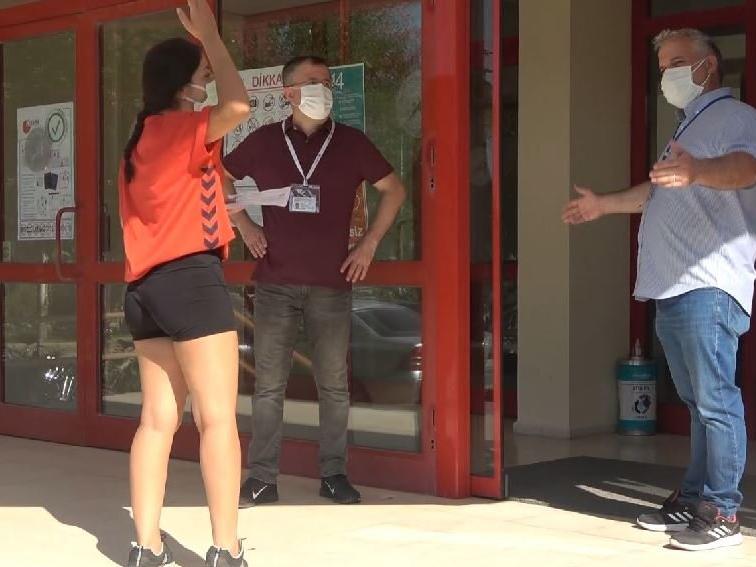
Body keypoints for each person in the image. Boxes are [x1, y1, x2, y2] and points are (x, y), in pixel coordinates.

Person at [563, 28, 756, 551]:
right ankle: (694, 497)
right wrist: (603, 205)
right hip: (674, 287)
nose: (668, 74)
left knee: (715, 401)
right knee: (697, 404)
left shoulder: (735, 117)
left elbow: (746, 168)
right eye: (664, 65)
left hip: (709, 284)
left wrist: (697, 171)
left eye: (677, 63)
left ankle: (723, 511)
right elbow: (657, 192)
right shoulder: (688, 126)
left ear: (708, 66)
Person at [222, 55, 406, 507]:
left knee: (334, 386)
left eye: (326, 82)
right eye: (312, 81)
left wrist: (369, 244)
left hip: (332, 283)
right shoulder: (264, 141)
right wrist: (244, 225)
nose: (322, 88)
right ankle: (262, 478)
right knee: (269, 386)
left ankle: (334, 474)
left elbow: (395, 190)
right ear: (288, 92)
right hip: (275, 283)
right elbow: (219, 177)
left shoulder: (351, 142)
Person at [119, 2, 249, 566]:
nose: (207, 83)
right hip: (190, 280)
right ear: (181, 85)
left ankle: (145, 548)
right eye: (201, 77)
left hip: (144, 290)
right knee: (217, 419)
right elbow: (238, 105)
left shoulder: (140, 138)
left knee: (156, 422)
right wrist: (212, 38)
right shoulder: (179, 129)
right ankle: (226, 549)